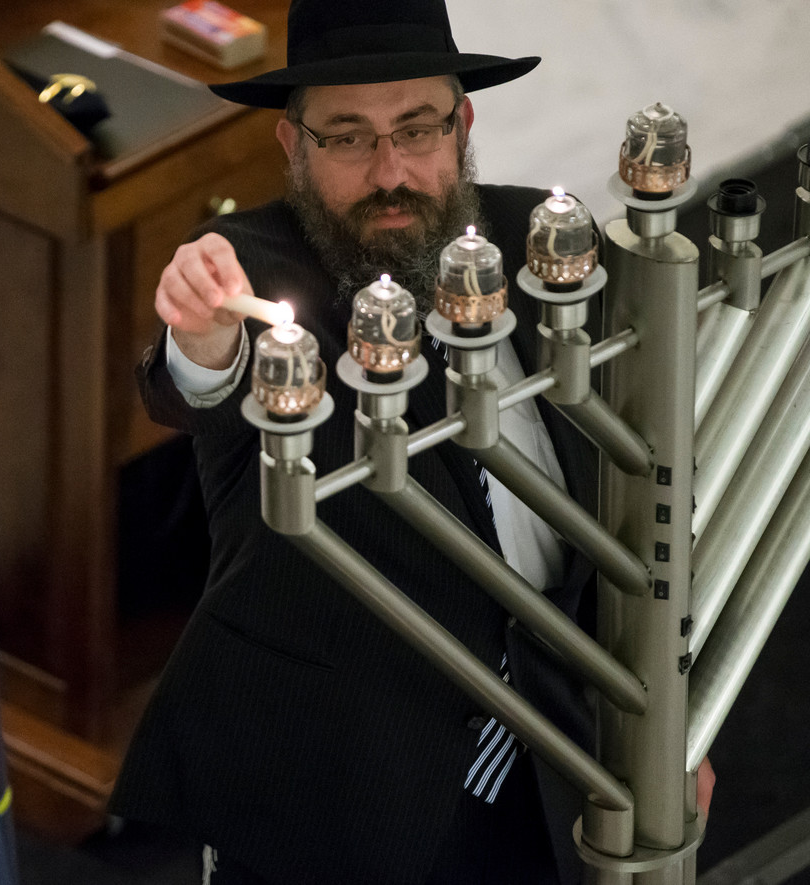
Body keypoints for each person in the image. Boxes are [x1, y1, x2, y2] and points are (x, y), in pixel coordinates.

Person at [110, 1, 712, 883]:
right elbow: (200, 377)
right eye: (347, 137)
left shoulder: (554, 253)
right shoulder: (252, 271)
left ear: (462, 123)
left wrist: (678, 728)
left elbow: (657, 494)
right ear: (293, 146)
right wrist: (201, 337)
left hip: (567, 767)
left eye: (417, 127)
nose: (391, 170)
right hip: (333, 795)